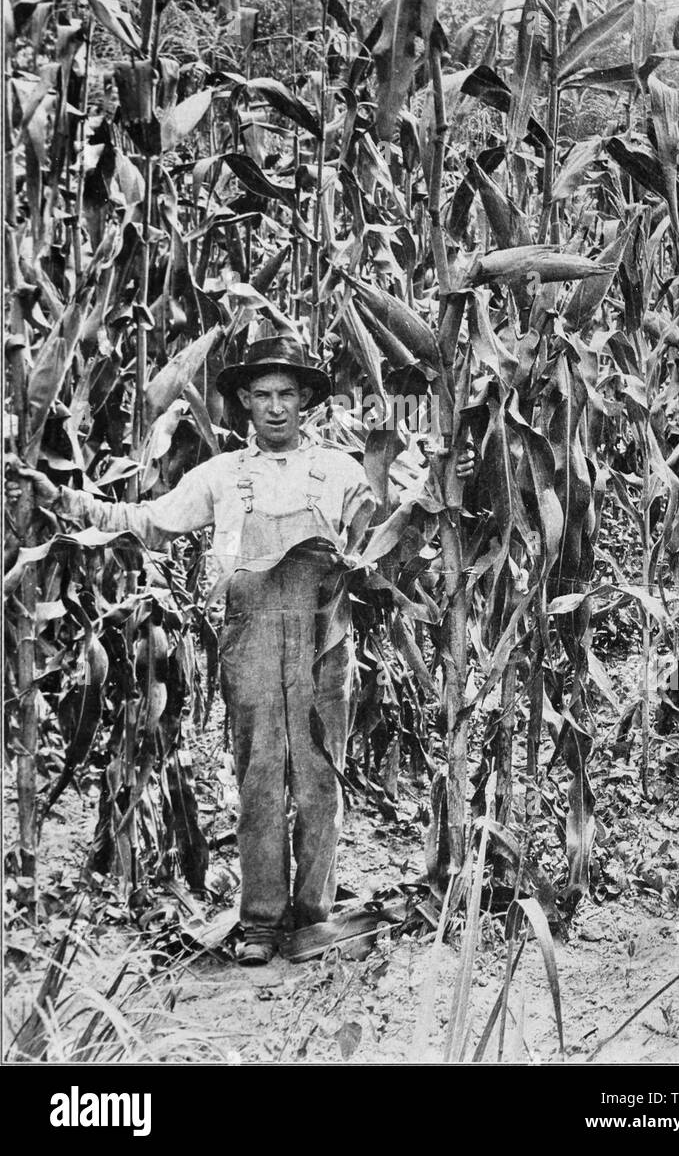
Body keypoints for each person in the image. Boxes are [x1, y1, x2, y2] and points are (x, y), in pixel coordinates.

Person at [9, 335, 473, 966]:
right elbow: (146, 520)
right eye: (261, 396)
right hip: (248, 637)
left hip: (323, 635)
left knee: (318, 777)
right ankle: (259, 922)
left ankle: (312, 916)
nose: (275, 408)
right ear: (244, 403)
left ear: (306, 399)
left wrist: (444, 486)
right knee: (258, 775)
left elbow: (389, 537)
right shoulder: (222, 476)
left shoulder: (341, 471)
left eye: (287, 394)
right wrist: (59, 498)